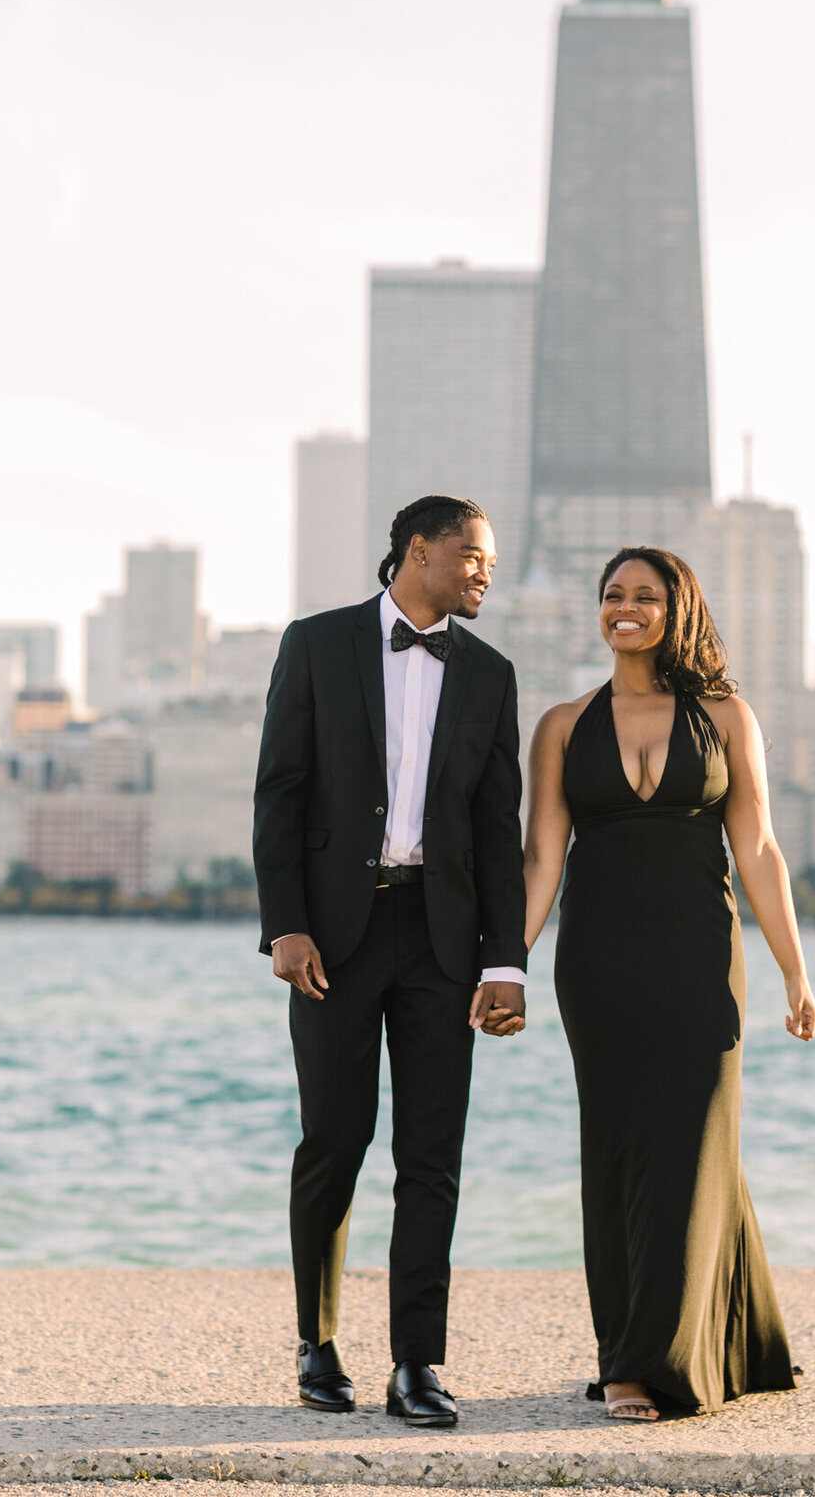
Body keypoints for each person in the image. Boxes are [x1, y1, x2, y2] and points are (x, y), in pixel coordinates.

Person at [523, 546, 815, 1421]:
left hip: (699, 957)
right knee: (616, 1149)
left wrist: (794, 970)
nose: (625, 609)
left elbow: (758, 849)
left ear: (675, 609)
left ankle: (697, 1344)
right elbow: (542, 854)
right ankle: (628, 1360)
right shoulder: (561, 724)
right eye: (612, 596)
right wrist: (509, 963)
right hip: (599, 962)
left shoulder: (727, 717)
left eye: (644, 597)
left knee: (698, 1143)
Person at [253, 495, 527, 1430]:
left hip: (444, 945)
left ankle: (419, 1361)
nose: (485, 571)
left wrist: (508, 964)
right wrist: (284, 926)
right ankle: (316, 1344)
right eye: (472, 556)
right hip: (333, 936)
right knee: (334, 1140)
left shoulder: (491, 674)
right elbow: (279, 794)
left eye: (489, 561)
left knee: (432, 1157)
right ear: (418, 551)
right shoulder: (317, 644)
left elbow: (499, 834)